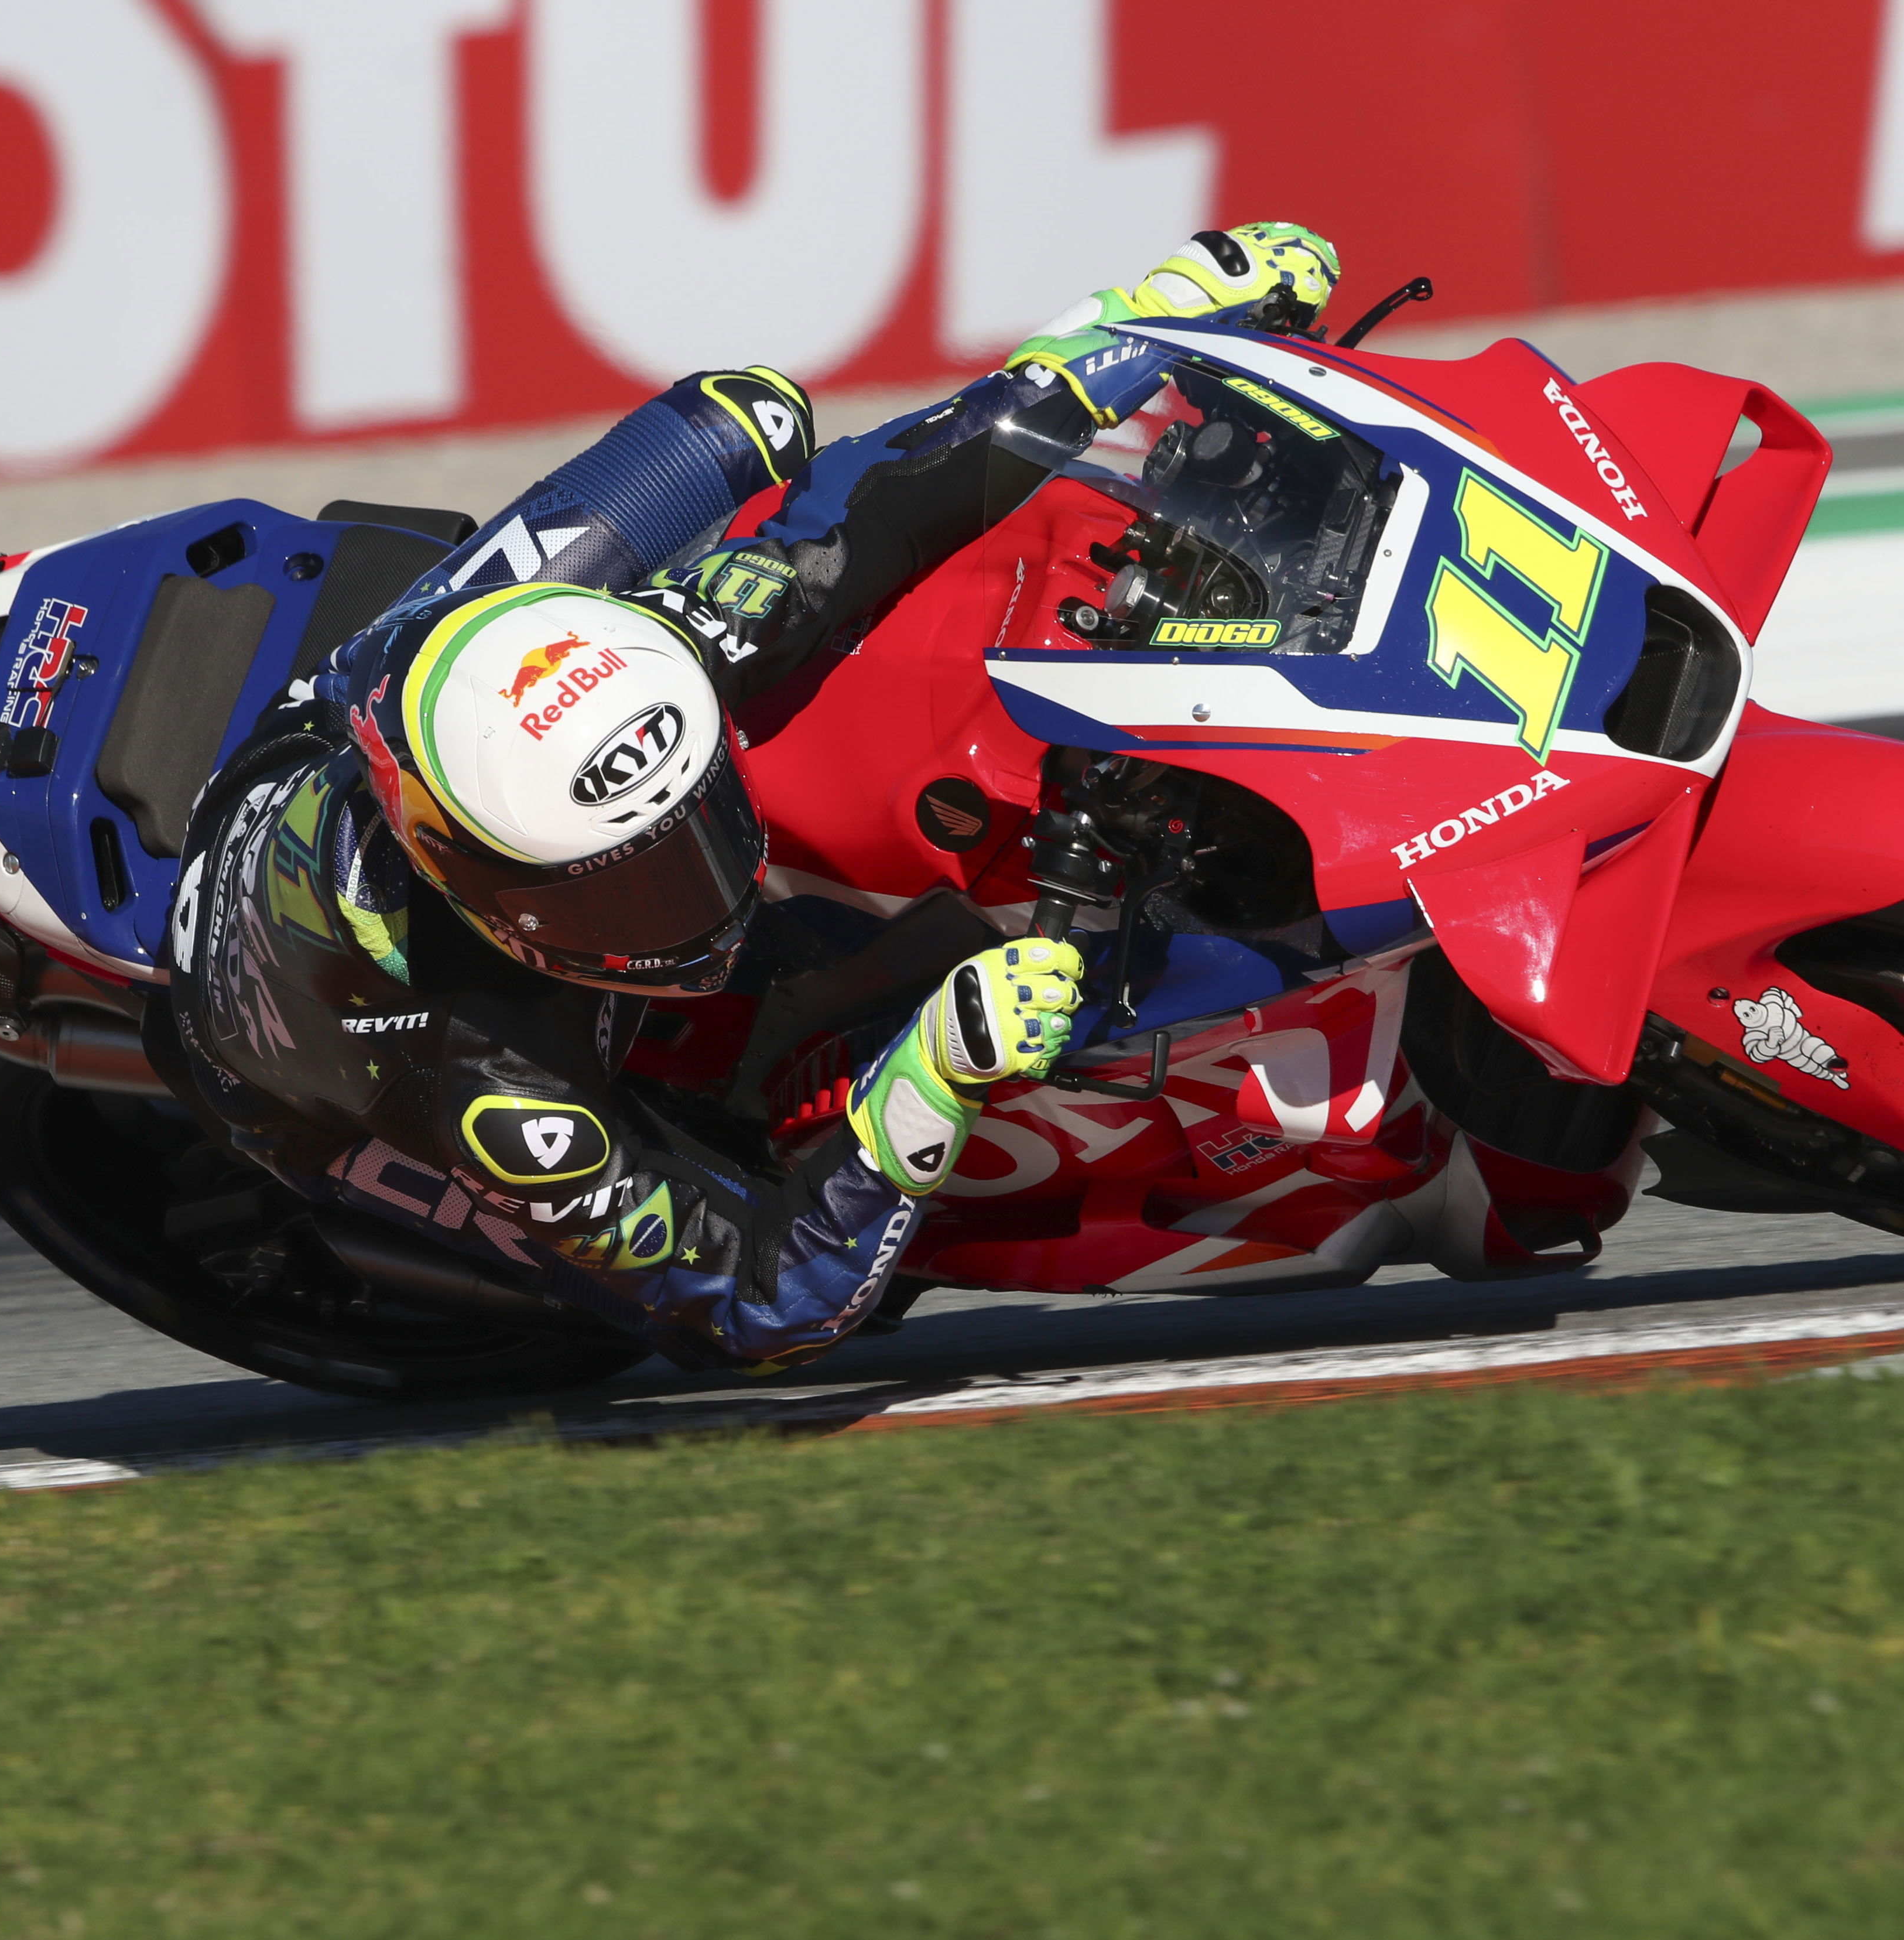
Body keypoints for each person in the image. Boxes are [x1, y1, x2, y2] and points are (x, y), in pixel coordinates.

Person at [154, 223, 1338, 1373]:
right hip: (290, 1053)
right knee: (645, 1260)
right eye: (624, 885)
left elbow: (905, 483)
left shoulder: (647, 656)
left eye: (690, 831)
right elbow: (766, 1304)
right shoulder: (482, 1075)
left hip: (348, 702)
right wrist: (933, 1067)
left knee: (745, 420)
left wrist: (1147, 323)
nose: (698, 895)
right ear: (491, 896)